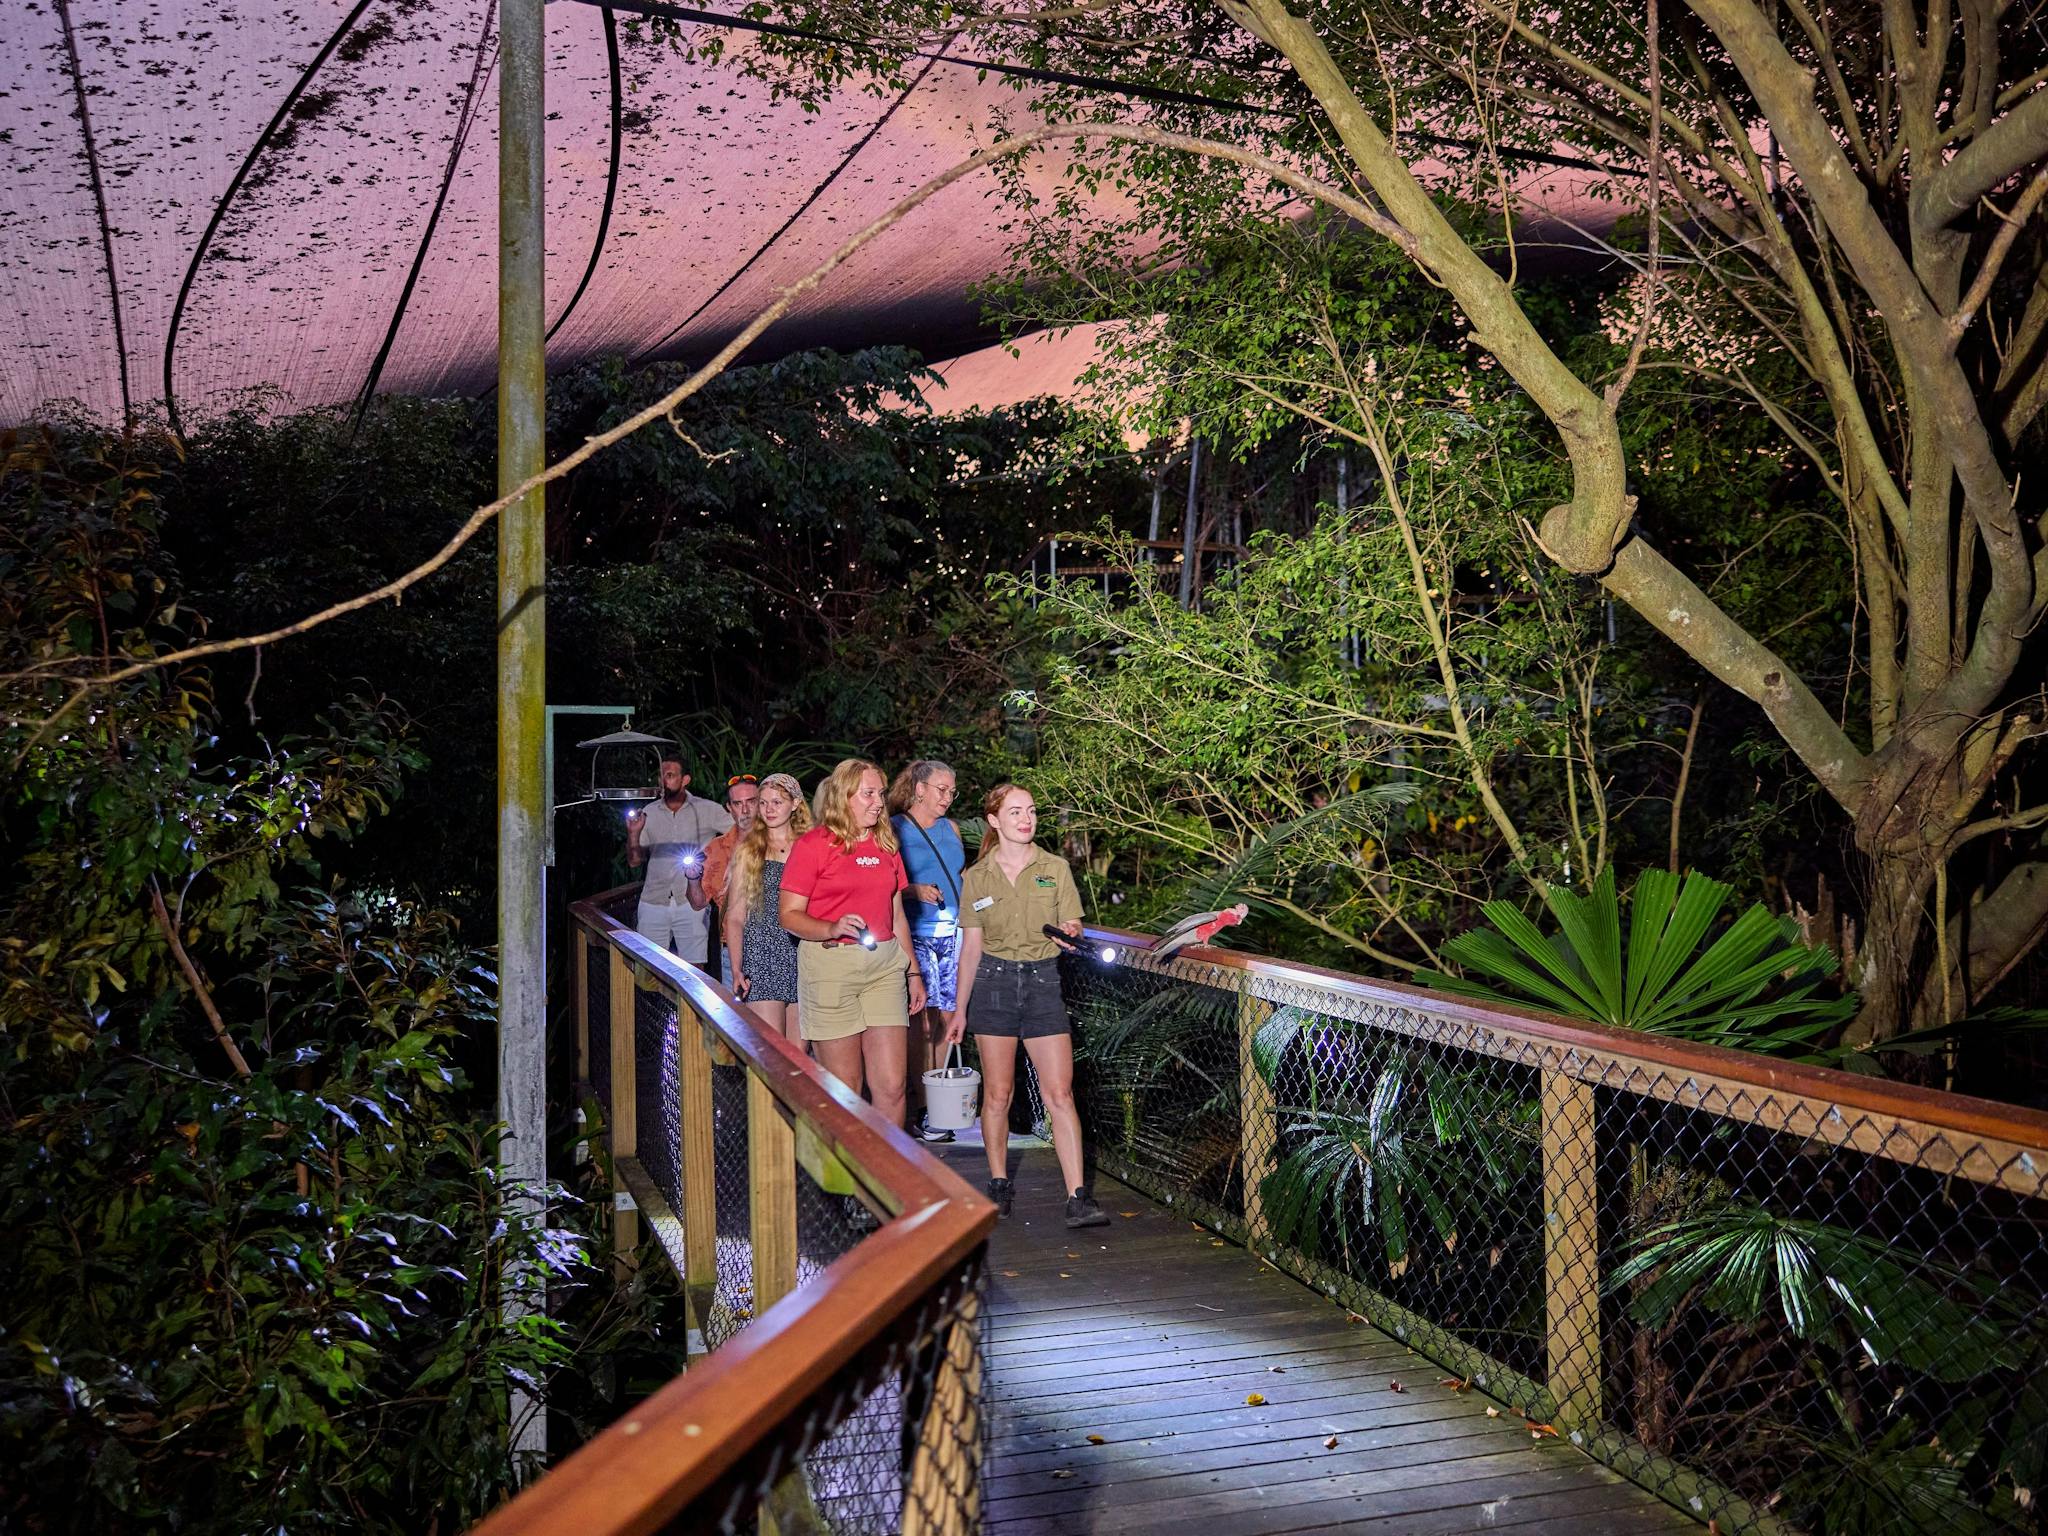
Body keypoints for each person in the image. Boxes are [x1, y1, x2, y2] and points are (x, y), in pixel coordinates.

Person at [949, 782, 1110, 1229]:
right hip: (993, 985)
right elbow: (971, 948)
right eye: (1016, 812)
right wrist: (959, 1009)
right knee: (998, 1094)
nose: (1026, 819)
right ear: (994, 820)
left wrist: (1071, 932)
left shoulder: (1054, 868)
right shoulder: (977, 876)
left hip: (1042, 984)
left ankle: (1078, 1197)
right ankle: (999, 1182)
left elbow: (1072, 923)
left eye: (1032, 811)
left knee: (1060, 1093)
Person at [780, 759, 927, 1129]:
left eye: (880, 793)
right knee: (846, 1090)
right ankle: (845, 1166)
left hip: (884, 967)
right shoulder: (813, 845)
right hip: (831, 967)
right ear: (844, 796)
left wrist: (913, 972)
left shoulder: (886, 844)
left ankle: (888, 1165)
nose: (879, 802)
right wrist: (831, 927)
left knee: (892, 1087)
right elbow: (789, 915)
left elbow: (896, 915)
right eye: (868, 794)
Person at [888, 759, 966, 1144]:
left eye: (952, 791)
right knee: (922, 1020)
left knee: (947, 1018)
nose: (948, 797)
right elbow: (883, 883)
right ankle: (923, 1107)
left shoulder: (952, 828)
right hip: (916, 931)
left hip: (954, 932)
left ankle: (943, 1102)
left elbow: (962, 875)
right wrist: (913, 890)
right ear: (919, 789)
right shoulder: (895, 827)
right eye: (941, 789)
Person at [722, 773, 809, 1041]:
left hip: (804, 953)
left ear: (795, 804)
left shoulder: (811, 847)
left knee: (798, 1055)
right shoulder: (750, 850)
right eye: (763, 803)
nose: (768, 809)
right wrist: (737, 968)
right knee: (771, 1048)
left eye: (777, 802)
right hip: (762, 955)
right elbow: (735, 916)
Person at [626, 754, 732, 965]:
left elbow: (742, 834)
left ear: (685, 780)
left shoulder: (708, 809)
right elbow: (634, 861)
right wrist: (633, 833)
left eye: (670, 775)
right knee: (648, 967)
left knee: (694, 968)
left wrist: (722, 870)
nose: (663, 780)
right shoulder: (648, 812)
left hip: (691, 901)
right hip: (653, 900)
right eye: (661, 775)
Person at [698, 774, 761, 983]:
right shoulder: (716, 848)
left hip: (777, 947)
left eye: (751, 801)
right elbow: (698, 902)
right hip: (732, 950)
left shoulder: (781, 843)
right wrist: (692, 877)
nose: (745, 810)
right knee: (733, 1005)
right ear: (729, 808)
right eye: (738, 803)